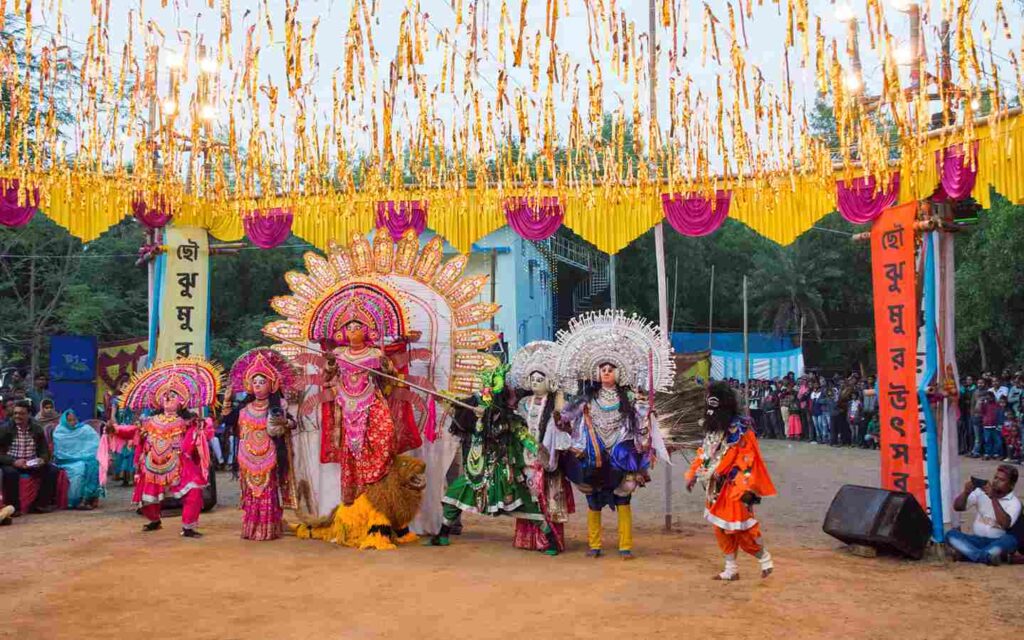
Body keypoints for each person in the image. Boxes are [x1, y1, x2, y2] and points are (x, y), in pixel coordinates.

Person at [556, 309, 673, 559]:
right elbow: (566, 416)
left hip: (620, 453)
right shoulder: (587, 399)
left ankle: (625, 546)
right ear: (596, 373)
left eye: (611, 368)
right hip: (593, 453)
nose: (606, 372)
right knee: (593, 499)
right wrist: (561, 416)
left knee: (623, 497)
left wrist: (647, 411)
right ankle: (594, 545)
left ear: (619, 372)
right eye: (602, 369)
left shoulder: (629, 398)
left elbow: (644, 416)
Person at [429, 364, 560, 555]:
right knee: (453, 497)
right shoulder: (474, 411)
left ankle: (551, 540)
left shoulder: (509, 419)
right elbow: (456, 408)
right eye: (483, 393)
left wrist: (541, 453)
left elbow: (525, 437)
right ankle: (442, 535)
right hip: (477, 469)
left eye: (488, 394)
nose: (484, 397)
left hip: (503, 470)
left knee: (526, 503)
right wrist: (442, 399)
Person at [108, 359, 220, 538]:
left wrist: (201, 427)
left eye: (173, 395)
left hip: (179, 462)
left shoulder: (188, 421)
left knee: (194, 491)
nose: (168, 397)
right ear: (159, 400)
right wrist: (115, 429)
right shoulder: (149, 421)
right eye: (165, 395)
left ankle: (188, 527)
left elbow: (204, 434)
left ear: (182, 401)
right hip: (152, 463)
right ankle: (154, 520)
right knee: (147, 499)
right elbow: (133, 431)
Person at [686, 381, 776, 580]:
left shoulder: (742, 431)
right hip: (714, 488)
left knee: (741, 528)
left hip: (735, 487)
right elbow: (704, 453)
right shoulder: (712, 430)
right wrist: (692, 474)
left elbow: (747, 459)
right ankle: (731, 568)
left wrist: (729, 474)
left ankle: (764, 559)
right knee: (720, 528)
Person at [320, 317, 400, 506]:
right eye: (349, 327)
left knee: (386, 435)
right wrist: (331, 364)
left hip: (372, 402)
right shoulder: (339, 353)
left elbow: (393, 375)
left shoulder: (375, 352)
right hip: (348, 408)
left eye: (357, 327)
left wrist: (384, 366)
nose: (353, 331)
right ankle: (356, 503)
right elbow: (326, 377)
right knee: (353, 452)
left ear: (366, 331)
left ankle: (378, 490)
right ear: (343, 333)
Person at [508, 341, 575, 553]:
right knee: (529, 498)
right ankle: (528, 540)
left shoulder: (556, 403)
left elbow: (565, 429)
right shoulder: (523, 403)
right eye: (533, 380)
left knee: (548, 499)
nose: (536, 383)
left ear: (550, 382)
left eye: (541, 379)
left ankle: (551, 540)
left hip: (548, 460)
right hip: (526, 459)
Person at [225, 348, 297, 541]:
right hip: (247, 458)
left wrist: (285, 423)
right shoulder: (244, 407)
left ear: (271, 385)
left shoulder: (278, 406)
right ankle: (251, 528)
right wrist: (226, 401)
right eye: (254, 382)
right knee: (250, 494)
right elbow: (228, 421)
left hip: (269, 456)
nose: (258, 386)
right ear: (249, 385)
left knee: (267, 492)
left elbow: (292, 423)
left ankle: (268, 529)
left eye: (262, 382)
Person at [946, 465, 1021, 565]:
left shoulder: (1014, 503)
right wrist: (966, 493)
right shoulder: (980, 493)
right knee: (951, 534)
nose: (996, 481)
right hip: (976, 540)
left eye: (1002, 480)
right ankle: (986, 557)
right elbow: (958, 507)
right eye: (995, 477)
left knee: (1010, 540)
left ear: (1011, 485)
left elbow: (1005, 524)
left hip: (998, 541)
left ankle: (967, 555)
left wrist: (993, 498)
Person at [0, 400, 60, 514]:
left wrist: (42, 459)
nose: (17, 416)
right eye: (15, 413)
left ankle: (40, 505)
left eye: (21, 414)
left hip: (31, 463)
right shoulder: (4, 429)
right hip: (11, 462)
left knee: (52, 470)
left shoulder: (37, 429)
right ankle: (14, 508)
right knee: (11, 473)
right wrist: (13, 461)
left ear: (29, 415)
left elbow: (44, 450)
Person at [52, 409, 104, 510]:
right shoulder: (59, 432)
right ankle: (75, 500)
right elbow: (60, 451)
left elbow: (95, 443)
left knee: (94, 465)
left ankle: (88, 498)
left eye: (74, 420)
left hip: (85, 457)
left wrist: (85, 455)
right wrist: (79, 456)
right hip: (66, 461)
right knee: (78, 469)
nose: (72, 422)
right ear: (64, 421)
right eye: (69, 420)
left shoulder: (85, 429)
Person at [981, 391, 1003, 460]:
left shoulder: (997, 405)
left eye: (990, 397)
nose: (989, 398)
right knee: (987, 440)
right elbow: (982, 412)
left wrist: (999, 424)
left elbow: (999, 414)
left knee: (997, 440)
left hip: (995, 425)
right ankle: (988, 453)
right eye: (988, 397)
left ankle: (995, 453)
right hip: (987, 425)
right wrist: (982, 403)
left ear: (993, 397)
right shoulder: (984, 405)